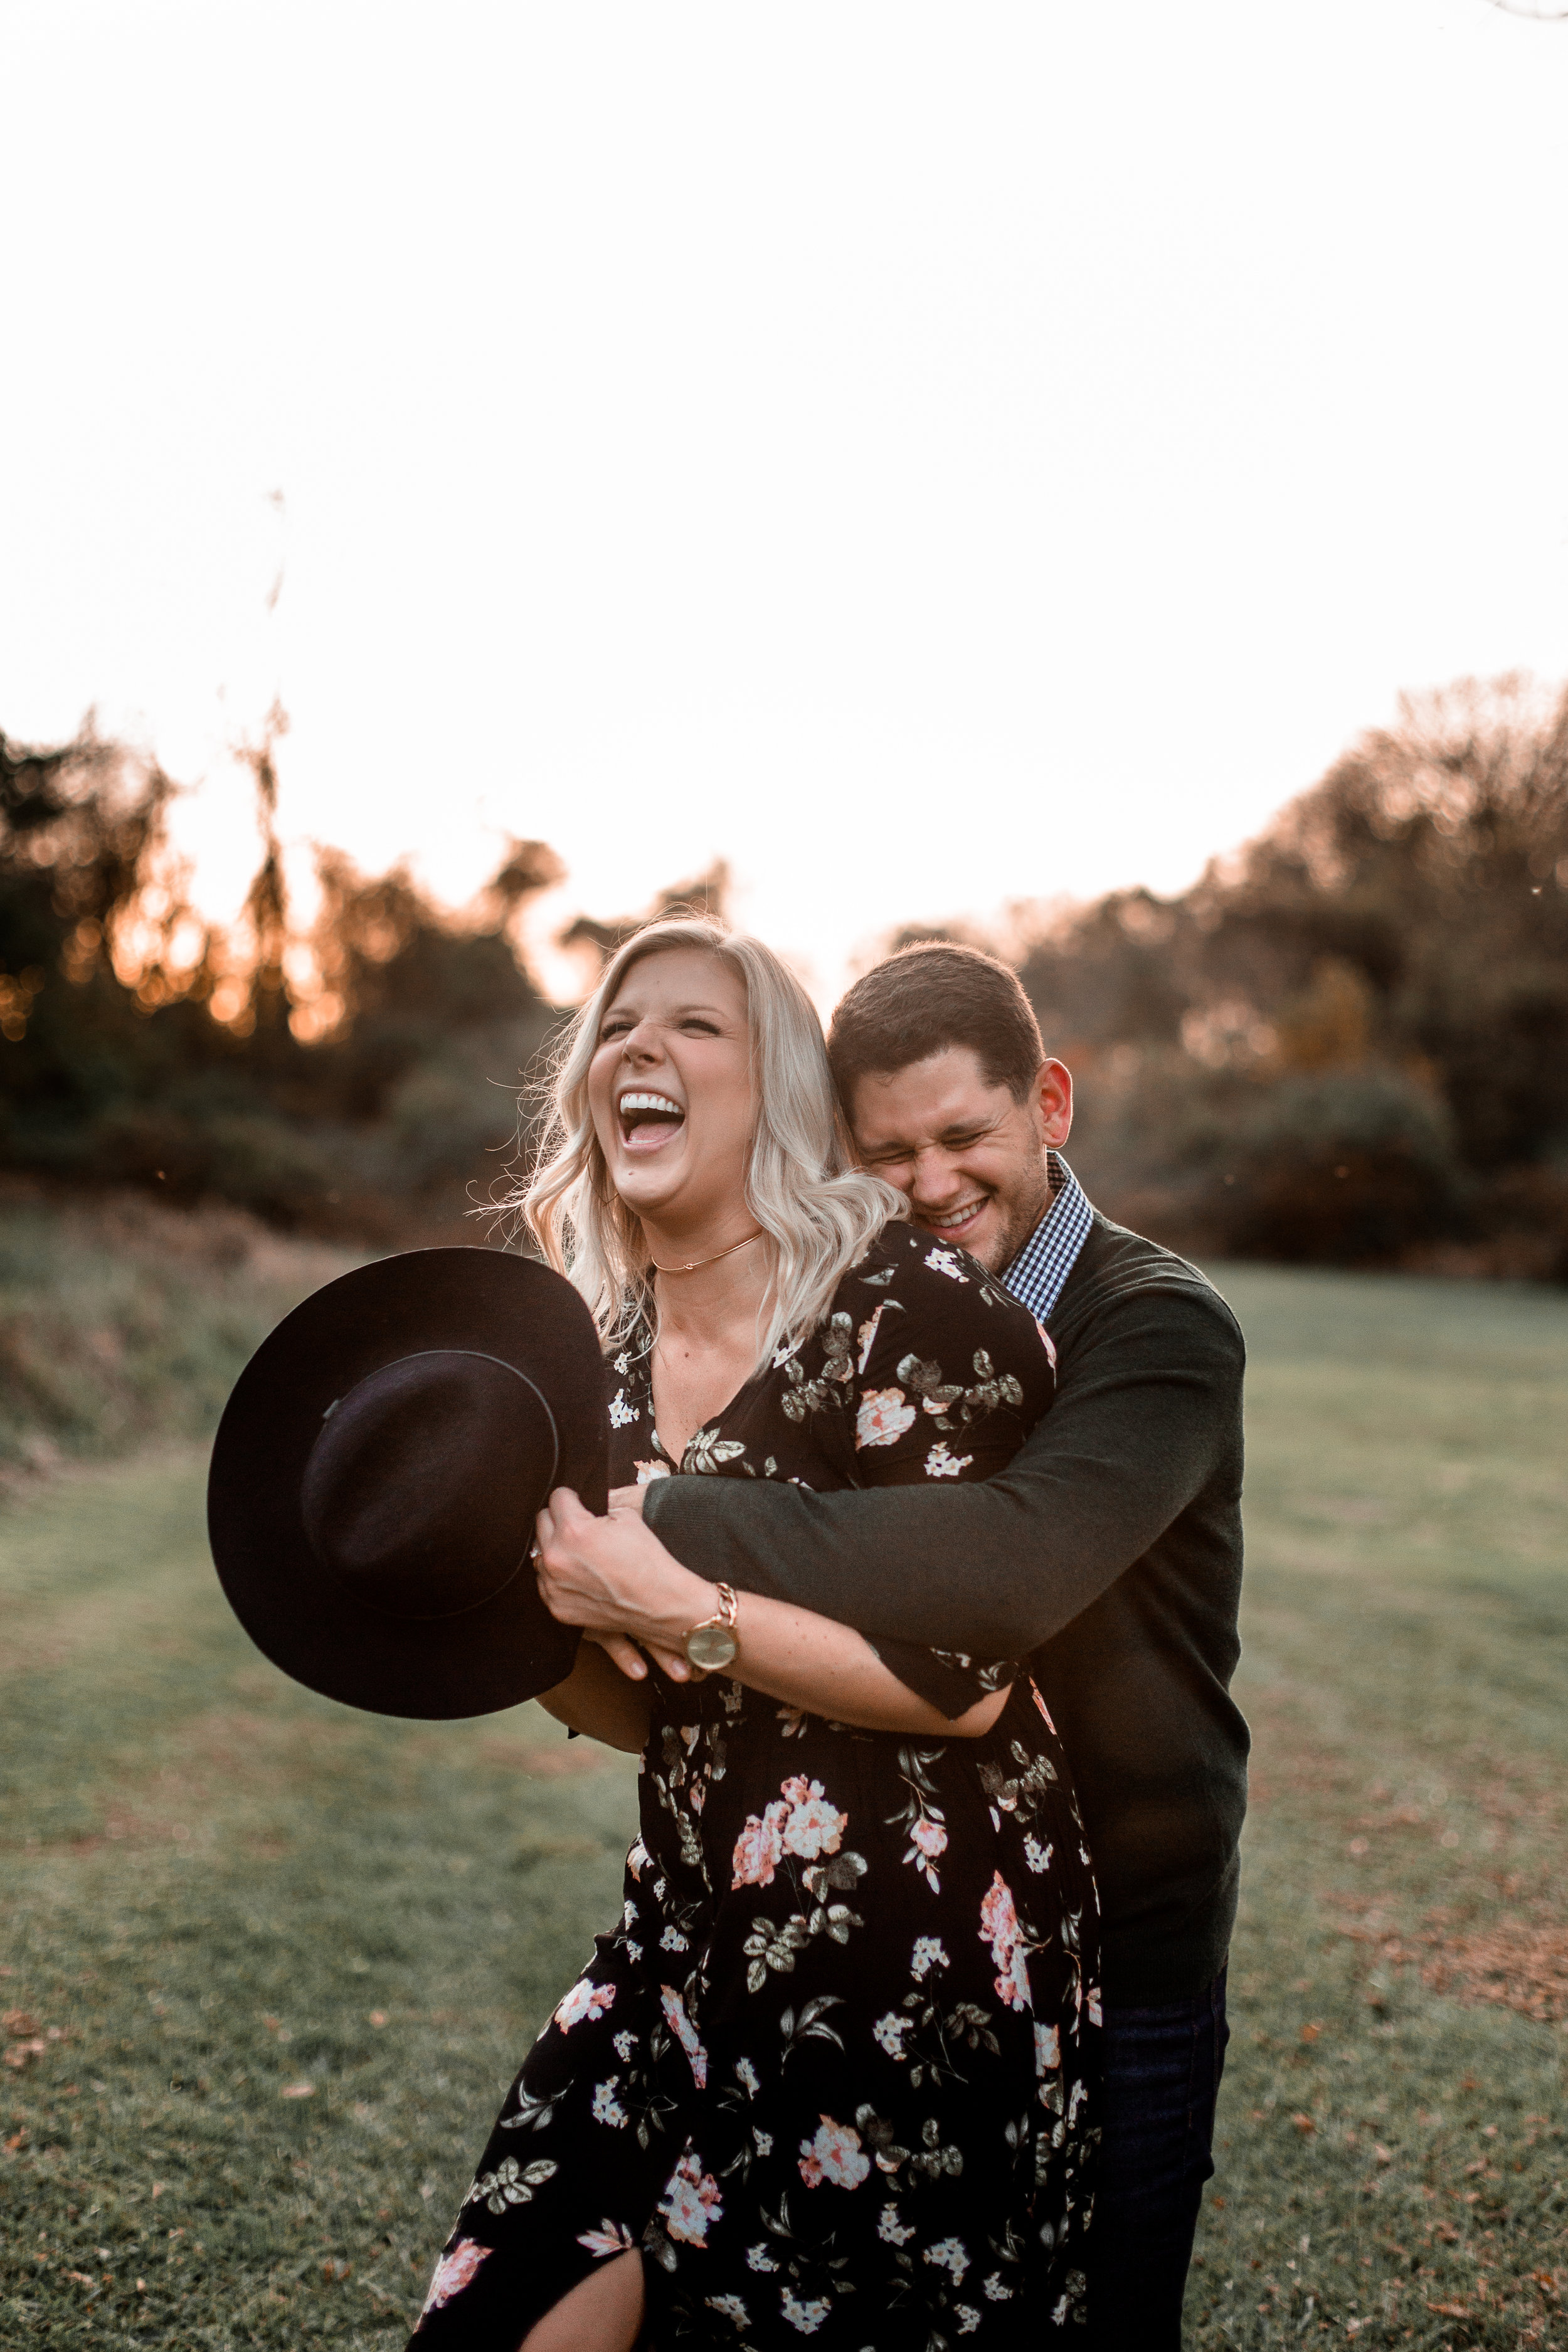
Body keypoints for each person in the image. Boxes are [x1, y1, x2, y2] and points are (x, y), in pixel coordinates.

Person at [411, 920, 1101, 2352]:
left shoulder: (905, 1310)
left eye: (695, 1025)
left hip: (910, 1967)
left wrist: (681, 1612)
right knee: (505, 2304)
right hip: (677, 1940)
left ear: (777, 1083)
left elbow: (960, 1682)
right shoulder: (582, 1360)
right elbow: (635, 1710)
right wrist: (533, 1623)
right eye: (615, 1025)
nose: (639, 1050)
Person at [625, 943, 1249, 2350]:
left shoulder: (1152, 1325)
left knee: (1103, 2313)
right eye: (885, 1150)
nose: (928, 1181)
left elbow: (1005, 1569)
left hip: (1129, 1921)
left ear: (1049, 1102)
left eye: (964, 1135)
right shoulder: (860, 1318)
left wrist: (659, 1516)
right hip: (931, 1926)